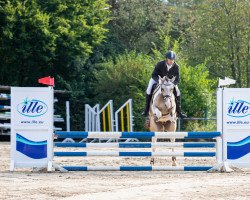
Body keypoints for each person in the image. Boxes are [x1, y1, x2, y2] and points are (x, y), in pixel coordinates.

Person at [141, 50, 187, 118]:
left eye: (173, 59)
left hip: (169, 83)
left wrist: (173, 84)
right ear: (166, 59)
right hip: (157, 79)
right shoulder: (159, 64)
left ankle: (179, 112)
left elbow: (177, 79)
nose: (171, 61)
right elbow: (154, 75)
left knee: (178, 92)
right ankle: (146, 110)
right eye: (170, 59)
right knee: (149, 89)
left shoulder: (176, 66)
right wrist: (159, 81)